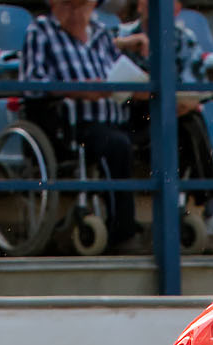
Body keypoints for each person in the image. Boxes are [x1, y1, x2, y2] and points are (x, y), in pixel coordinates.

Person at [113, 0, 213, 237]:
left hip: (174, 116)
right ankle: (212, 206)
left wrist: (179, 101)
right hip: (132, 119)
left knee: (188, 122)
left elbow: (195, 87)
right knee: (189, 123)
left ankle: (206, 208)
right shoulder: (120, 35)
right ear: (139, 5)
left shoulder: (184, 38)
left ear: (178, 8)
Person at [23, 0, 143, 251]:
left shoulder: (100, 33)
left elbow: (121, 71)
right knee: (115, 144)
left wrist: (136, 87)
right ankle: (123, 232)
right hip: (72, 124)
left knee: (168, 130)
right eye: (71, 4)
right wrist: (79, 89)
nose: (78, 10)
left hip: (117, 117)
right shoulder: (41, 31)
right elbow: (32, 84)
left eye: (84, 4)